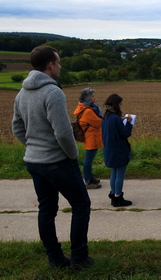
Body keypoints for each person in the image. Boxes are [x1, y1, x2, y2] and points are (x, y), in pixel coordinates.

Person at [11, 46, 94, 269]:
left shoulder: (22, 93)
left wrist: (34, 148)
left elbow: (17, 128)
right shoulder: (53, 92)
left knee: (46, 210)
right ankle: (79, 258)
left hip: (34, 162)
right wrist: (72, 154)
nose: (60, 66)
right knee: (81, 205)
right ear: (50, 65)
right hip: (57, 162)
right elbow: (62, 132)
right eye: (58, 62)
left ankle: (55, 259)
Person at [102, 94, 134, 207]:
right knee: (120, 174)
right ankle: (118, 197)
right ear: (116, 105)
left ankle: (113, 194)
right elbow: (125, 133)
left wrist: (119, 121)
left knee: (114, 173)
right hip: (119, 150)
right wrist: (129, 123)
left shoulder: (106, 117)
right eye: (120, 104)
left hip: (109, 150)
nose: (121, 106)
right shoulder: (115, 118)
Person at [73, 88, 103, 189]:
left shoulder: (84, 108)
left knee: (89, 159)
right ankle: (88, 181)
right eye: (93, 96)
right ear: (88, 98)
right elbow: (99, 123)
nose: (94, 98)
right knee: (88, 160)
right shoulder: (88, 111)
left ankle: (90, 177)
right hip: (91, 137)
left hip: (91, 136)